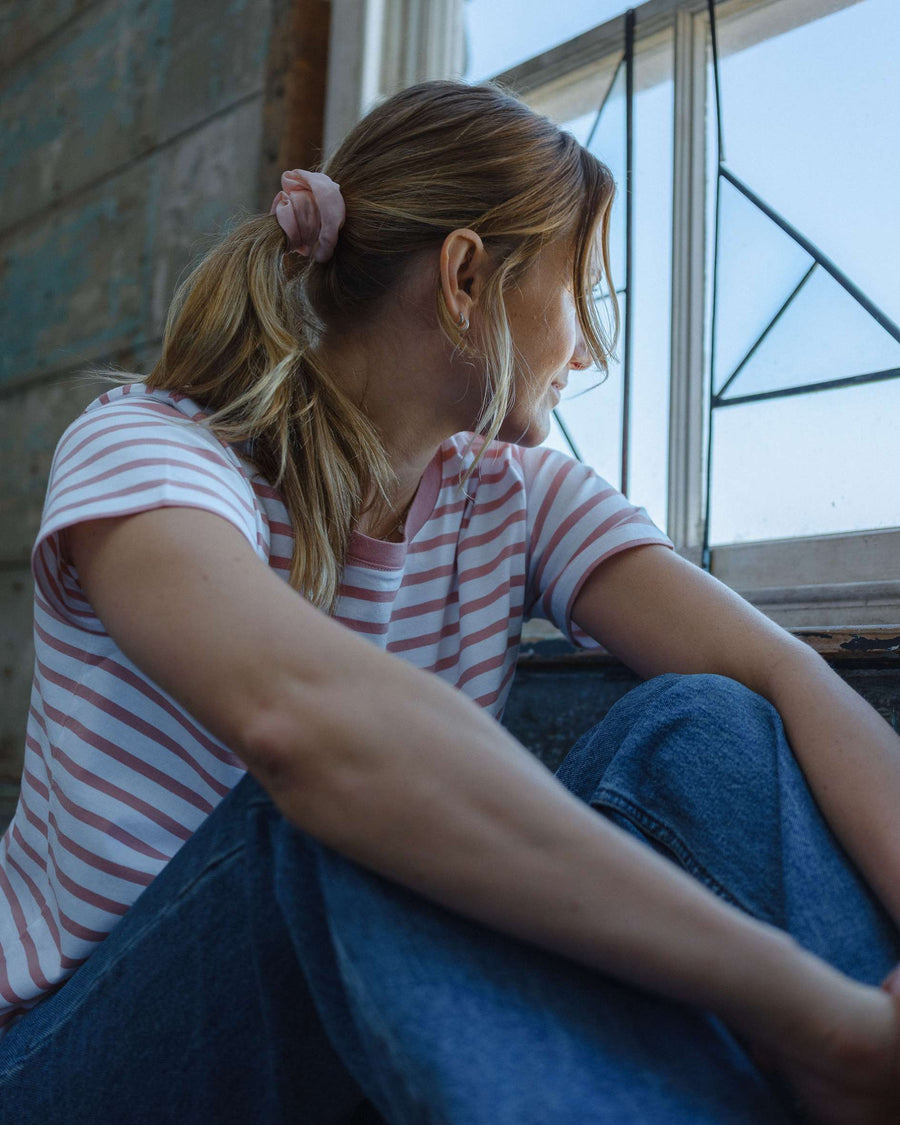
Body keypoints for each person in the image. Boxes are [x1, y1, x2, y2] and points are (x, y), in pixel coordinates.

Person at [0, 79, 899, 1124]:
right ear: (467, 276)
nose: (590, 351)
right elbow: (306, 728)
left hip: (354, 1026)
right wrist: (804, 1009)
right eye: (583, 295)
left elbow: (784, 675)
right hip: (75, 1059)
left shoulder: (514, 497)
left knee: (707, 726)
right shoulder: (150, 449)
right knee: (344, 806)